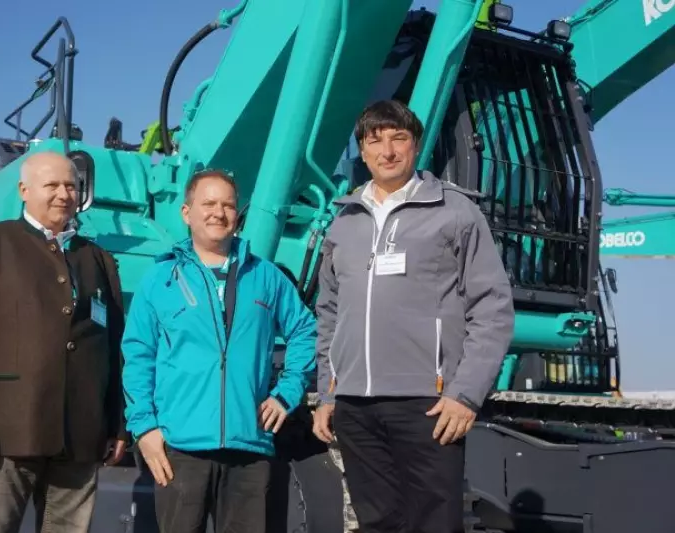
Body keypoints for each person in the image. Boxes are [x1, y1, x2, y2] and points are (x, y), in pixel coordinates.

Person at [312, 100, 515, 533]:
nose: (387, 150)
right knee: (376, 523)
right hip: (354, 406)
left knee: (434, 524)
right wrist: (327, 394)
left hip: (428, 404)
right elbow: (329, 312)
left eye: (398, 138)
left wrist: (465, 394)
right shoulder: (343, 223)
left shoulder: (455, 212)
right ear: (362, 152)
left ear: (415, 145)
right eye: (375, 140)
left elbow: (492, 306)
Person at [0, 151, 128, 533]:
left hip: (81, 433)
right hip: (7, 430)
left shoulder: (98, 259)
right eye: (51, 185)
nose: (63, 194)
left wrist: (116, 423)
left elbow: (114, 348)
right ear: (24, 190)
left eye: (71, 185)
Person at [122, 169, 317, 533]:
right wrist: (144, 427)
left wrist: (286, 393)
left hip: (250, 446)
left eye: (228, 205)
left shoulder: (267, 276)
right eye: (208, 203)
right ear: (186, 212)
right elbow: (138, 355)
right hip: (180, 446)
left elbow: (305, 329)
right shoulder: (160, 280)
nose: (218, 212)